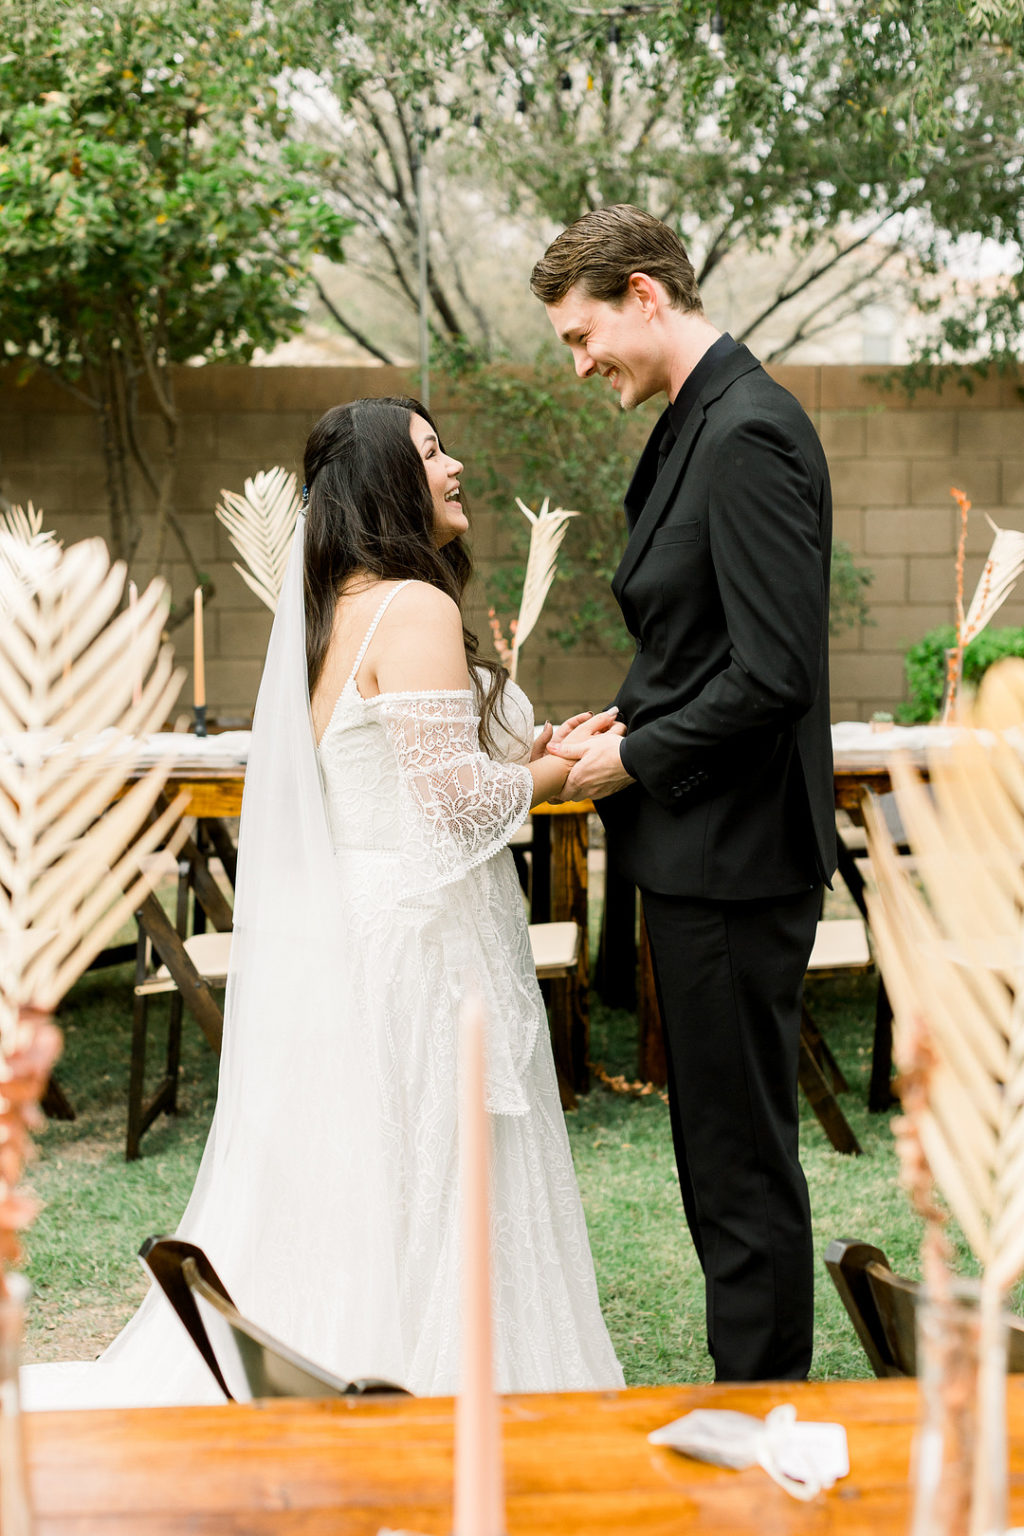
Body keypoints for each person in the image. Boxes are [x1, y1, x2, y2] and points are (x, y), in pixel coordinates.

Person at [22, 395, 623, 1409]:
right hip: (424, 944)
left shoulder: (331, 611)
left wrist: (528, 754)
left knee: (373, 1185)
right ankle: (443, 1392)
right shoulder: (414, 605)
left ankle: (368, 1374)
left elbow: (394, 779)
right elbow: (448, 812)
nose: (456, 465)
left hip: (366, 932)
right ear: (389, 480)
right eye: (432, 453)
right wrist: (567, 781)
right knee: (435, 1175)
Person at [532, 205, 837, 1382]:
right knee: (716, 1153)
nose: (579, 361)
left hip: (738, 856)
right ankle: (749, 1395)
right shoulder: (693, 420)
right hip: (701, 850)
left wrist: (638, 758)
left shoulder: (747, 429)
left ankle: (761, 1414)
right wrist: (628, 715)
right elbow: (703, 642)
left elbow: (775, 671)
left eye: (581, 332)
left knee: (739, 1158)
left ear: (645, 294)